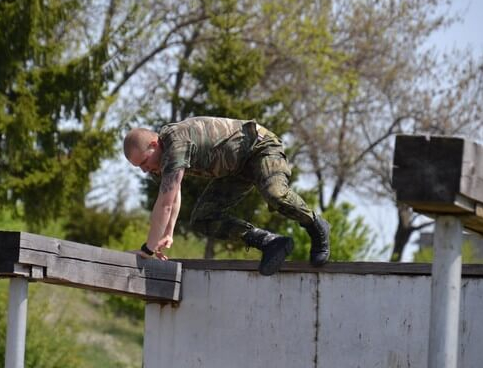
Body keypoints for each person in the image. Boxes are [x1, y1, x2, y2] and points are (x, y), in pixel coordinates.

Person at [124, 116, 330, 276]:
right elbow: (172, 194)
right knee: (203, 218)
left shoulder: (176, 143)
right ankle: (270, 242)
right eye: (139, 167)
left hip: (260, 148)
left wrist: (148, 250)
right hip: (236, 169)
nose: (144, 169)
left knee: (275, 194)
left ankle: (315, 225)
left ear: (153, 144)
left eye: (144, 162)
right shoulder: (162, 162)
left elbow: (165, 204)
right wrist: (167, 233)